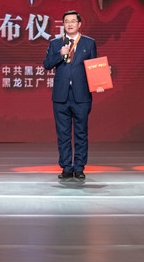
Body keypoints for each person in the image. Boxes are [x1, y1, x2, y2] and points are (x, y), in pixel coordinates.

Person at [43, 10, 103, 180]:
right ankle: (66, 167)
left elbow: (94, 65)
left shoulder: (89, 43)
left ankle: (79, 167)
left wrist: (99, 82)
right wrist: (60, 54)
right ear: (63, 24)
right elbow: (47, 64)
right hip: (61, 96)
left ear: (79, 24)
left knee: (81, 133)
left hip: (81, 96)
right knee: (63, 134)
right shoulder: (55, 43)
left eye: (73, 21)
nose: (70, 24)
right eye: (66, 21)